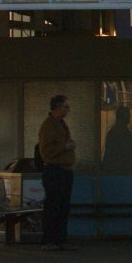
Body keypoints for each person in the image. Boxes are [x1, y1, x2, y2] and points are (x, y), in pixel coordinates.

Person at [38, 95, 77, 251]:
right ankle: (48, 240)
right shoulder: (48, 126)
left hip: (65, 170)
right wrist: (64, 147)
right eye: (66, 107)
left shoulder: (62, 124)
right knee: (53, 206)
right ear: (58, 107)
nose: (68, 110)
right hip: (54, 170)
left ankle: (61, 239)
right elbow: (45, 151)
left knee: (63, 207)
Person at [101, 106, 132, 170]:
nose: (129, 119)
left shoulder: (111, 132)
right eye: (128, 116)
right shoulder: (126, 134)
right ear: (125, 118)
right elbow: (128, 156)